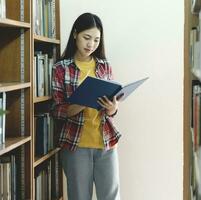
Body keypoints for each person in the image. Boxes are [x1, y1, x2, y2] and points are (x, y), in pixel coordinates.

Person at [51, 12, 121, 200]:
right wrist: (80, 102)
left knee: (111, 197)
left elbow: (112, 109)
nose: (91, 45)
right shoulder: (61, 68)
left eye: (96, 40)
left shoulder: (104, 66)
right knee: (79, 197)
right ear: (75, 34)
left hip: (106, 143)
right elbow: (56, 109)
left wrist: (112, 108)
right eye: (87, 38)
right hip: (76, 146)